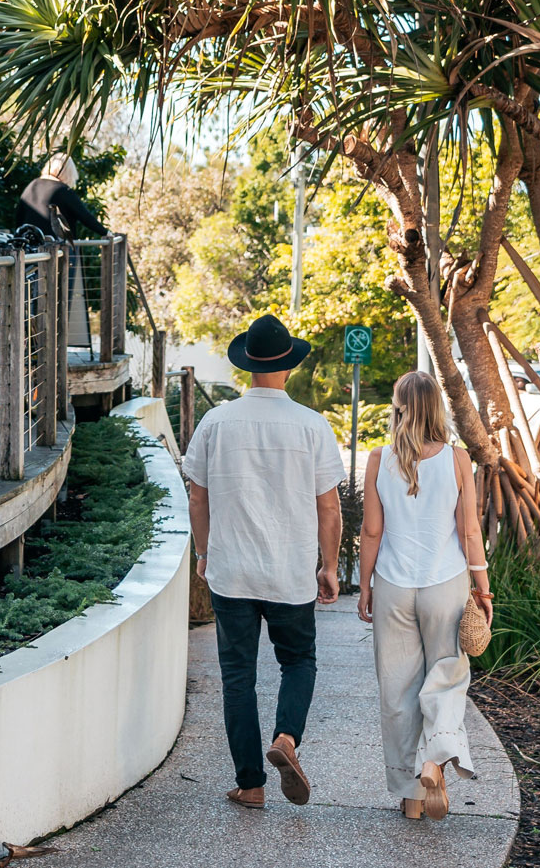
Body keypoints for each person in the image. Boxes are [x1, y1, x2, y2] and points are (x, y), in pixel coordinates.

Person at [182, 313, 345, 811]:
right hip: (291, 573)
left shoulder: (217, 421)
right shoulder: (312, 425)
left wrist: (204, 553)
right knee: (298, 660)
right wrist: (330, 566)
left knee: (238, 676)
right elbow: (329, 505)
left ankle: (251, 784)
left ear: (246, 366)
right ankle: (287, 739)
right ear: (289, 368)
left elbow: (196, 496)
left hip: (231, 572)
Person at [357, 370, 493, 822]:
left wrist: (365, 587)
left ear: (398, 408)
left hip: (394, 586)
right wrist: (484, 586)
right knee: (447, 677)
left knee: (397, 691)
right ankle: (435, 760)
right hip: (446, 584)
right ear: (436, 407)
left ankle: (411, 797)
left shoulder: (378, 459)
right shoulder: (457, 460)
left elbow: (371, 530)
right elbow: (469, 529)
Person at [15, 153, 107, 239]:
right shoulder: (63, 190)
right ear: (69, 172)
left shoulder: (32, 185)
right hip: (58, 248)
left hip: (30, 246)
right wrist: (106, 233)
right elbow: (85, 217)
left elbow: (19, 216)